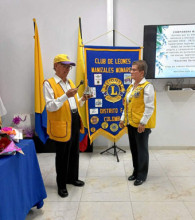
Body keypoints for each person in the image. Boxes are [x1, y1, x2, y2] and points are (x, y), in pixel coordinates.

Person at [43, 54, 90, 198]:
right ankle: (61, 185)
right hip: (61, 123)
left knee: (74, 152)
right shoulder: (49, 83)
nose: (67, 69)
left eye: (69, 66)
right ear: (55, 66)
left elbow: (73, 104)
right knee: (62, 155)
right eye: (64, 66)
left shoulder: (69, 82)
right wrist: (65, 96)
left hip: (74, 119)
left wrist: (82, 99)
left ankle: (72, 178)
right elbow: (50, 106)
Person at [119, 60, 156, 186]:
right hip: (131, 124)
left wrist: (143, 123)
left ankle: (142, 175)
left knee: (142, 150)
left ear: (142, 72)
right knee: (134, 149)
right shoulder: (131, 86)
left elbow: (149, 106)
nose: (131, 72)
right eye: (131, 69)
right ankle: (135, 171)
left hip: (141, 125)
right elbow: (126, 104)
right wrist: (123, 119)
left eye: (134, 70)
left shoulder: (147, 86)